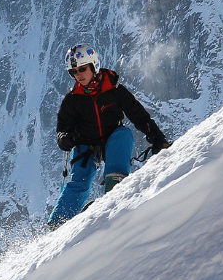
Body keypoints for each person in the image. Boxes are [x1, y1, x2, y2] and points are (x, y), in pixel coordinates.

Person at [47, 44, 170, 229]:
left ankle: (115, 189)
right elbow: (62, 129)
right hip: (86, 143)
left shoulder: (114, 90)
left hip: (112, 137)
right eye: (73, 72)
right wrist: (65, 139)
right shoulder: (72, 99)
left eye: (82, 68)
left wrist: (157, 138)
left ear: (93, 66)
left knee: (124, 134)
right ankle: (57, 225)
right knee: (80, 179)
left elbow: (138, 115)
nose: (78, 75)